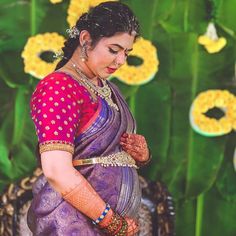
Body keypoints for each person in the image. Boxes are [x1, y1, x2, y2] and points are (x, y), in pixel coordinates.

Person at [27, 1, 151, 235]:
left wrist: (141, 155)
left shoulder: (108, 88)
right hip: (72, 224)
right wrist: (110, 221)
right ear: (85, 39)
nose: (121, 61)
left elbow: (105, 153)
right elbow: (56, 170)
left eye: (127, 52)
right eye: (114, 50)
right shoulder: (59, 87)